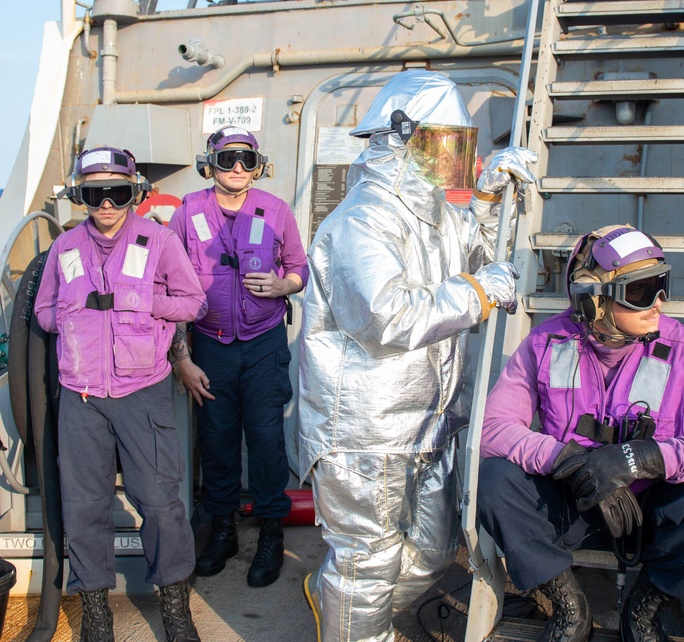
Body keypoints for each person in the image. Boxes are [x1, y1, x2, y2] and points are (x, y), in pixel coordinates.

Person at [297, 69, 536, 642]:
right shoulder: (361, 219)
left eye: (461, 147)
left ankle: (340, 599)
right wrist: (479, 293)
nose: (452, 160)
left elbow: (462, 251)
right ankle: (351, 615)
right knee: (368, 563)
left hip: (427, 422)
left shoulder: (428, 213)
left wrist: (483, 197)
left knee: (432, 550)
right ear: (403, 138)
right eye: (444, 145)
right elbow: (385, 316)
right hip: (365, 433)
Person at [477, 224, 684, 642]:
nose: (658, 302)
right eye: (641, 291)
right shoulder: (546, 343)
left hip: (650, 511)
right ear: (593, 300)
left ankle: (644, 610)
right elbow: (493, 428)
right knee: (494, 482)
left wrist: (644, 459)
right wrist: (564, 459)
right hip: (574, 501)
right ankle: (570, 607)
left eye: (663, 285)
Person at [34, 146, 206, 642]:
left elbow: (192, 302)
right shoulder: (65, 249)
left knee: (158, 503)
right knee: (84, 507)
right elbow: (45, 311)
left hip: (142, 393)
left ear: (134, 193)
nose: (106, 204)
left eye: (117, 193)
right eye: (95, 194)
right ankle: (96, 615)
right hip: (80, 396)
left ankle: (175, 610)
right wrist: (72, 320)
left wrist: (139, 301)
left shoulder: (158, 240)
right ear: (80, 196)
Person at [168, 126, 308, 588]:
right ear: (211, 163)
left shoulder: (276, 210)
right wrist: (182, 358)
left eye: (247, 160)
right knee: (216, 440)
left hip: (264, 343)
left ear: (258, 164)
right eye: (228, 160)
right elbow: (167, 285)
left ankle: (270, 533)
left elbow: (299, 268)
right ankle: (224, 529)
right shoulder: (188, 213)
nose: (238, 169)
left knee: (267, 441)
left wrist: (284, 285)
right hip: (209, 344)